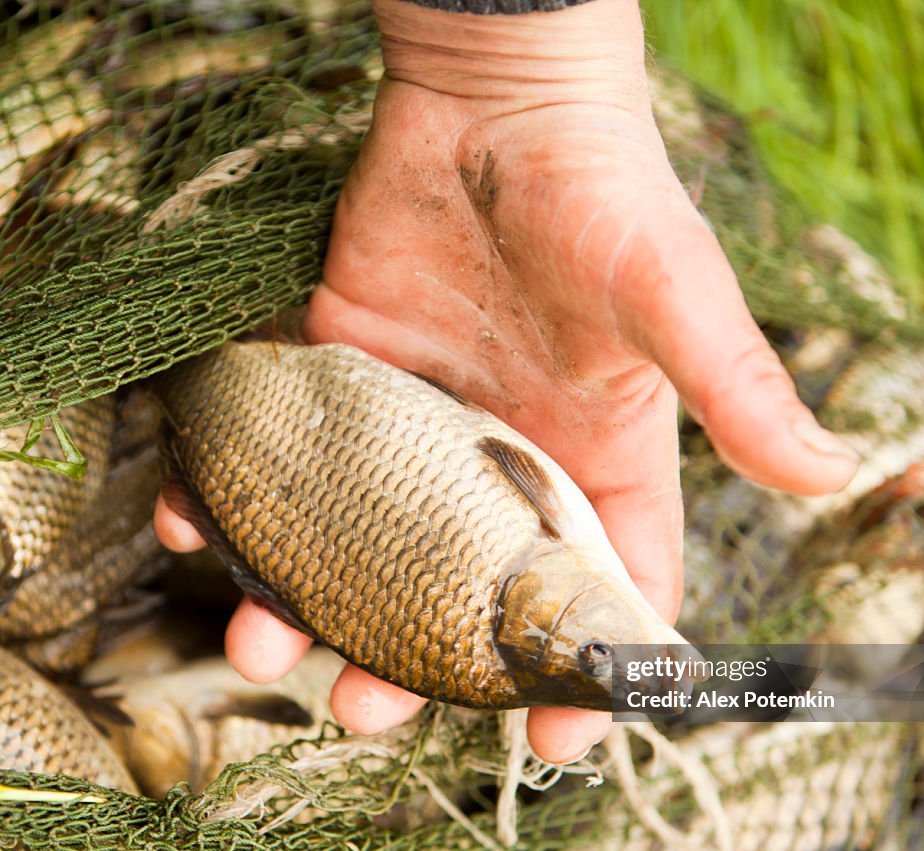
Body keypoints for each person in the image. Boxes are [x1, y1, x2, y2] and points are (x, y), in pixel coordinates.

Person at [154, 0, 858, 764]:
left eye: (597, 660)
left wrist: (505, 64)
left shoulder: (521, 585)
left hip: (268, 411)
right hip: (280, 413)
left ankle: (156, 346)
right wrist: (520, 71)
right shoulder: (541, 573)